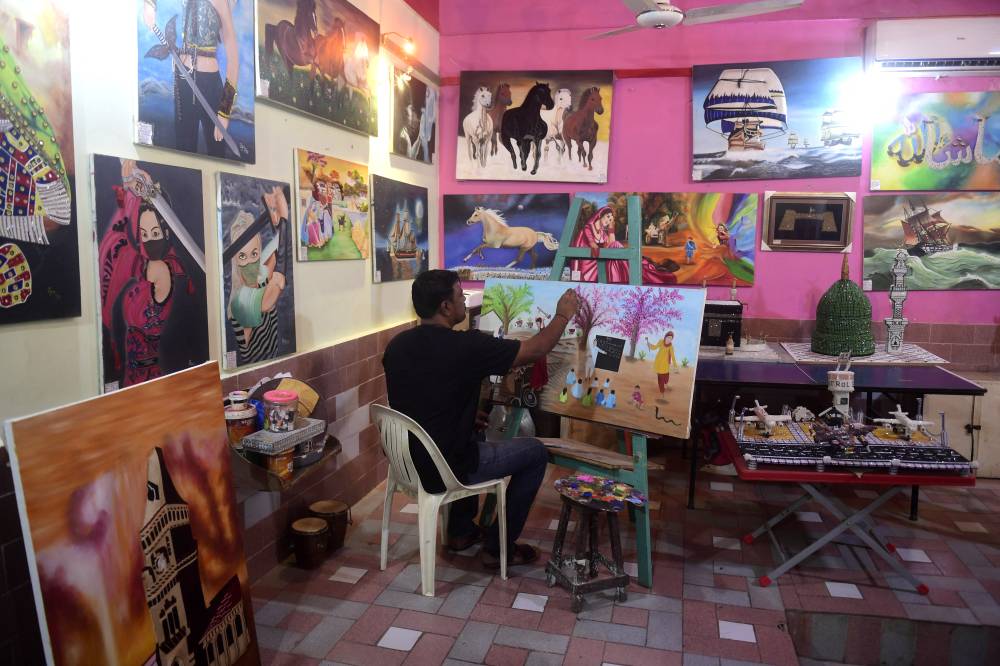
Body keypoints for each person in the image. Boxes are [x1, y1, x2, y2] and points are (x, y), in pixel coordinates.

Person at [383, 269, 580, 570]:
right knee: (535, 452)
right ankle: (499, 548)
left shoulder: (396, 346)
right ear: (445, 307)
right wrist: (563, 316)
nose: (465, 301)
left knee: (474, 430)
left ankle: (461, 532)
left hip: (408, 464)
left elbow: (422, 396)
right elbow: (535, 350)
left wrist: (461, 414)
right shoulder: (467, 346)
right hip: (448, 467)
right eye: (461, 296)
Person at [99, 160, 195, 387]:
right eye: (144, 234)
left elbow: (127, 237)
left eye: (155, 232)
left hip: (153, 376)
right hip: (133, 378)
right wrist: (133, 190)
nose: (150, 239)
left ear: (165, 232)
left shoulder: (165, 267)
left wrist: (139, 193)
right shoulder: (141, 265)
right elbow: (124, 237)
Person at [143, 0, 241, 159]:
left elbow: (234, 61)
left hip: (209, 85)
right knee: (183, 150)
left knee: (216, 151)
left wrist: (224, 112)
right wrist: (150, 4)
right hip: (183, 80)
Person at [569, 205, 678, 285]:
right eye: (607, 217)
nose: (609, 220)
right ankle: (633, 264)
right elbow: (594, 245)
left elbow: (609, 245)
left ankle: (635, 265)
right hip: (589, 265)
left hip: (600, 259)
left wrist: (611, 230)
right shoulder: (589, 227)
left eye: (611, 219)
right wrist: (603, 246)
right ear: (600, 215)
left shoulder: (602, 232)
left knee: (617, 248)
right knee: (617, 248)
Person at [647, 331, 678, 395]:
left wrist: (675, 365)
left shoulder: (671, 346)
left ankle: (666, 384)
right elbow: (655, 347)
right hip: (658, 363)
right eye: (668, 337)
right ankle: (662, 392)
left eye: (671, 338)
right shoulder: (661, 341)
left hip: (666, 365)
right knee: (660, 379)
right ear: (665, 337)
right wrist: (649, 345)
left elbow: (673, 356)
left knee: (666, 379)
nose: (669, 339)